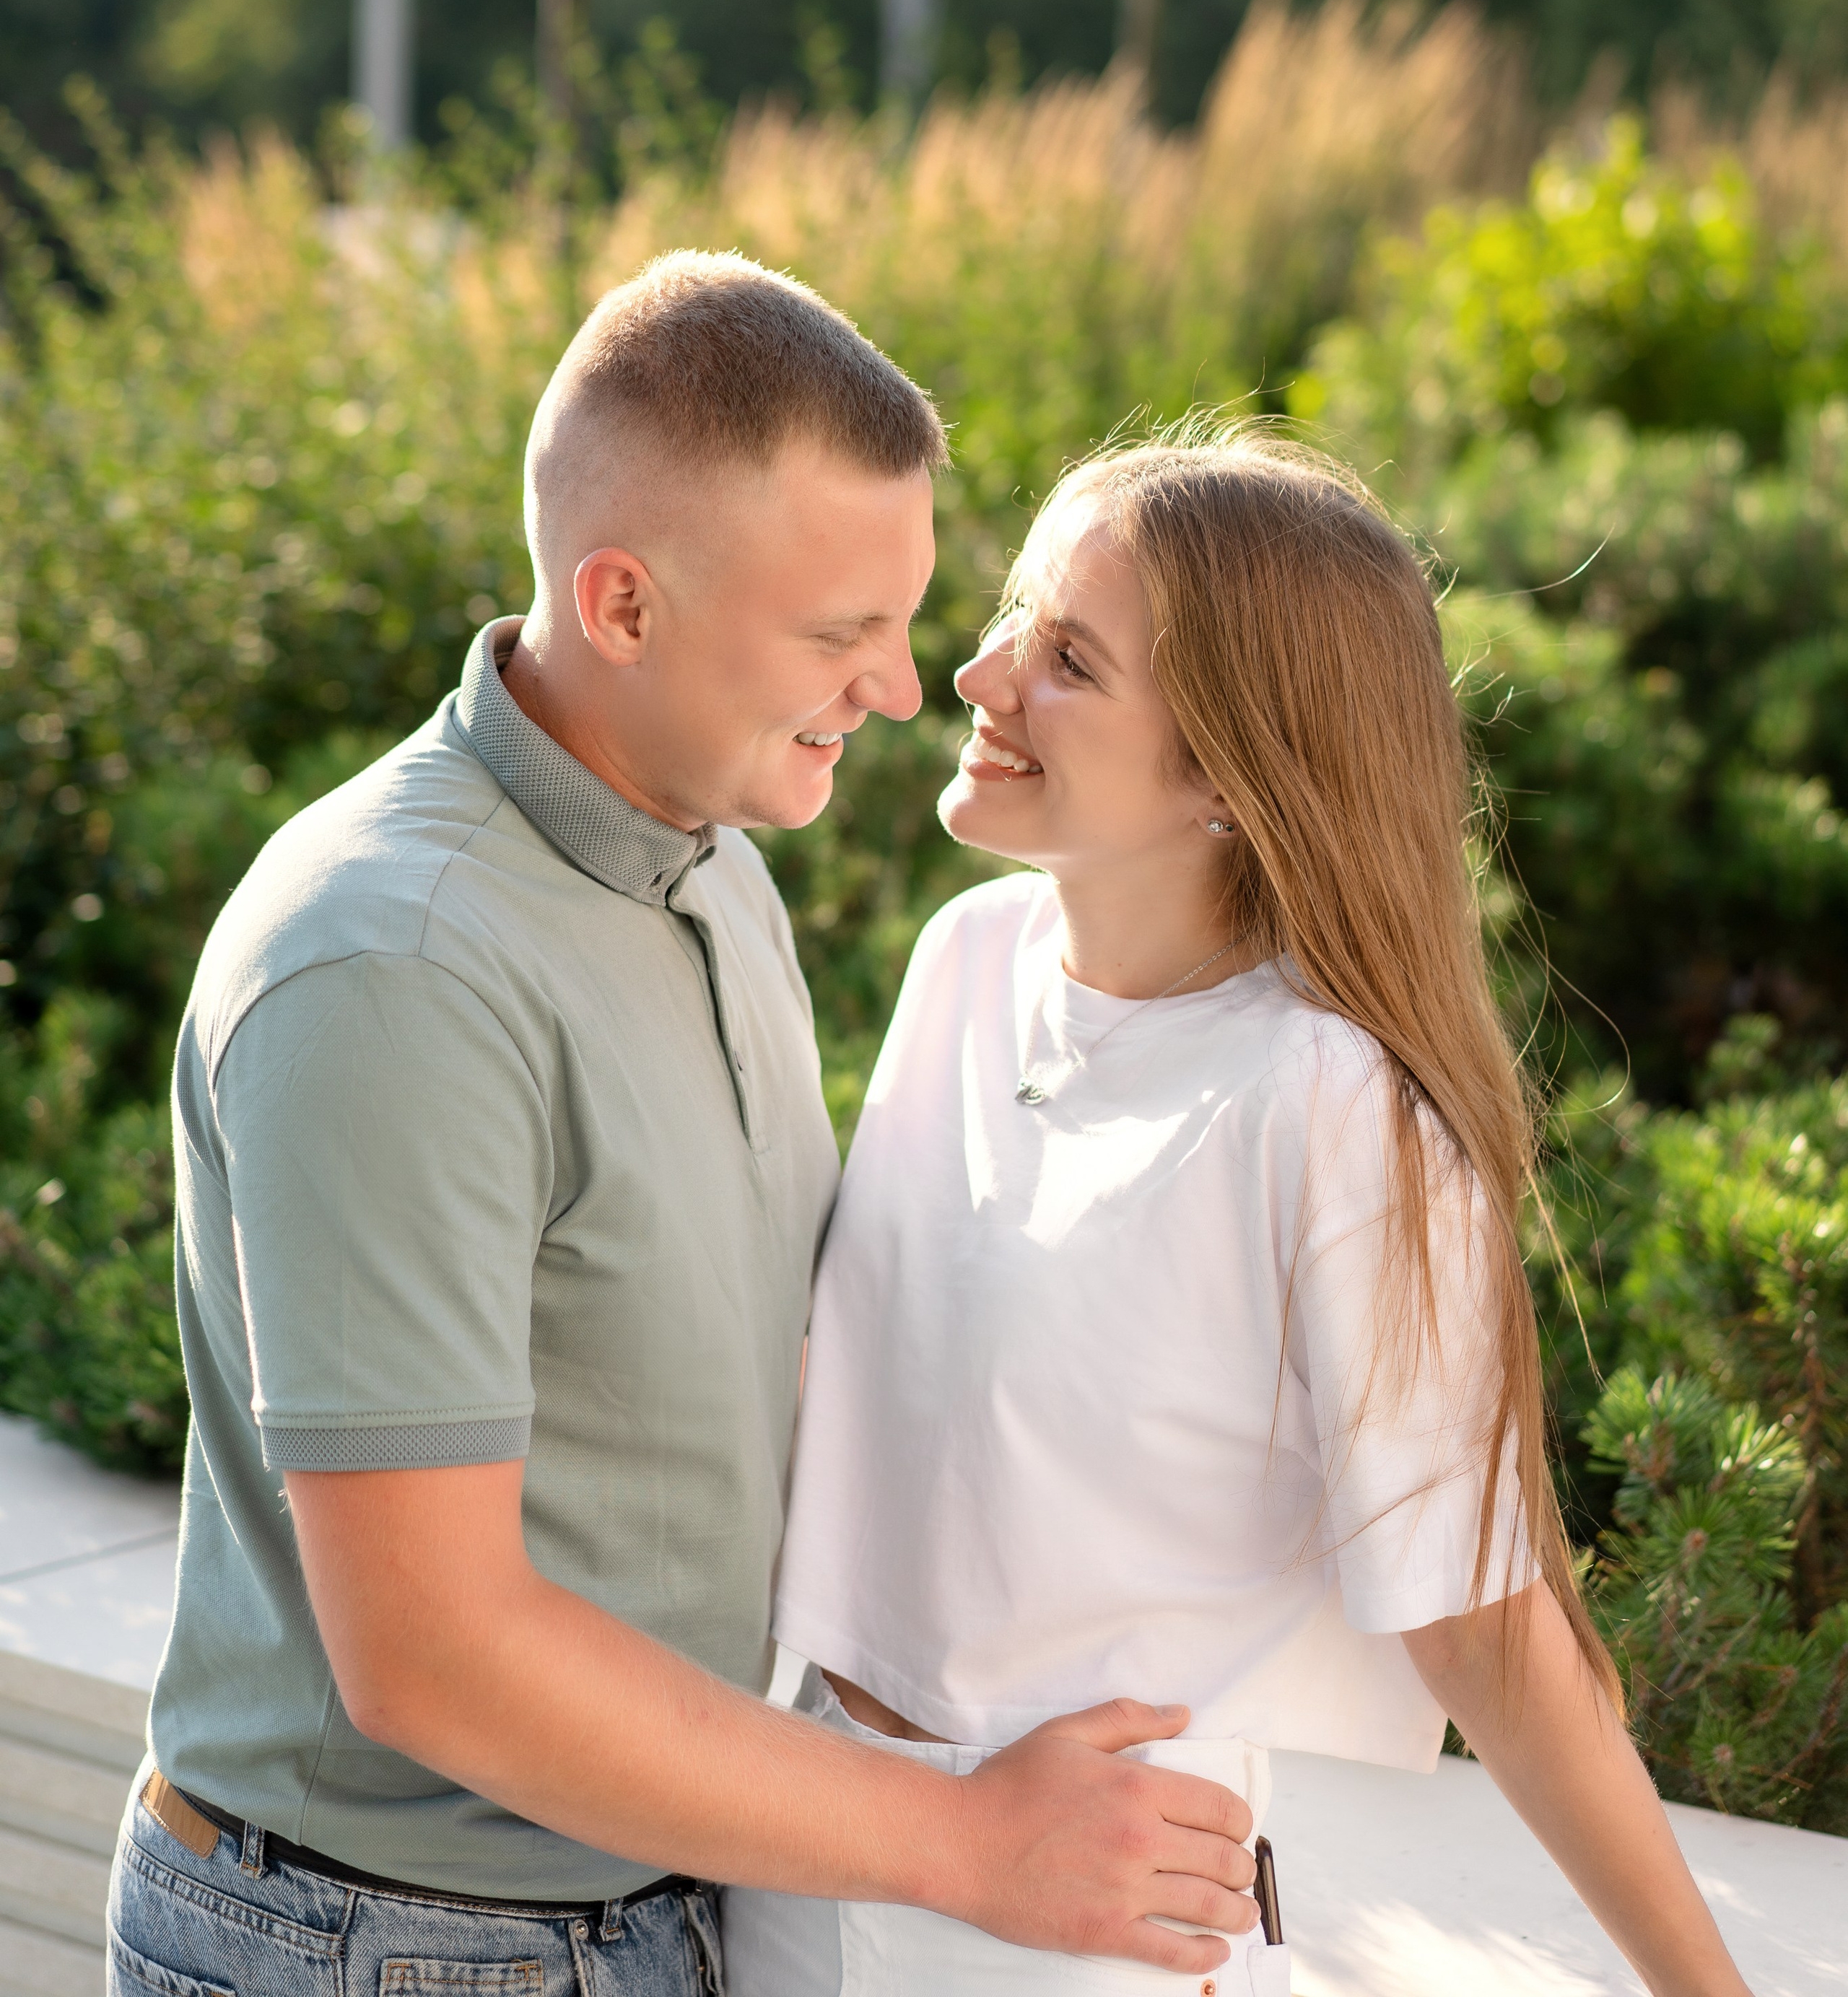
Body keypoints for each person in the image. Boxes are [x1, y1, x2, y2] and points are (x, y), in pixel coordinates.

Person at [110, 258, 1256, 1997]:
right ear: (623, 606)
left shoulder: (713, 868)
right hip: (383, 1950)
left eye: (902, 615)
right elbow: (431, 1661)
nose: (902, 685)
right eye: (834, 634)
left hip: (651, 1909)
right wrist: (962, 1838)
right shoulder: (392, 969)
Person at [725, 425, 1757, 1997]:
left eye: (1067, 656)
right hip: (810, 1859)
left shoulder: (1334, 1108)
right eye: (1014, 614)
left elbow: (1487, 1638)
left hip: (1080, 1940)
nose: (980, 674)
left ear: (1226, 770)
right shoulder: (967, 964)